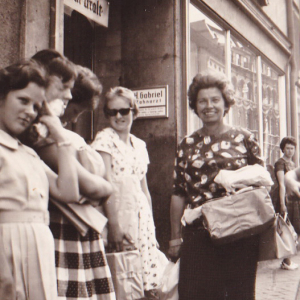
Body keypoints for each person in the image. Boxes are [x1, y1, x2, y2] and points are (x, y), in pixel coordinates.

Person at [168, 71, 265, 300]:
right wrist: (174, 238)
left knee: (239, 295)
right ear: (195, 105)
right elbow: (178, 192)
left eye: (215, 100)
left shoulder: (244, 138)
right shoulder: (187, 144)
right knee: (194, 294)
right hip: (199, 232)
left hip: (239, 232)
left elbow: (262, 183)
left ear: (225, 103)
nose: (208, 106)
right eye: (202, 101)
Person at [30, 50, 116, 300]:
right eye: (62, 88)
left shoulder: (56, 135)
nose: (68, 96)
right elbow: (93, 188)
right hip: (60, 230)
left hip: (70, 228)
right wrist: (106, 188)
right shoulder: (45, 136)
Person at [0, 60, 80, 299]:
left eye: (36, 106)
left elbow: (69, 191)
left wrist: (59, 134)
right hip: (7, 251)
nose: (30, 112)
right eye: (23, 100)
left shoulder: (28, 153)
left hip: (37, 251)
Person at [91, 87, 161, 299]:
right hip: (119, 216)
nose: (119, 116)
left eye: (124, 110)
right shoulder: (104, 140)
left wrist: (152, 230)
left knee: (141, 282)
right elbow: (105, 182)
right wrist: (114, 225)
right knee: (122, 277)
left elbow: (144, 189)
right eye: (112, 112)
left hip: (142, 221)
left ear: (134, 111)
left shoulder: (140, 145)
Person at [274, 137, 298, 270]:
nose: (290, 151)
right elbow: (282, 184)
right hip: (284, 199)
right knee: (285, 229)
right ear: (283, 148)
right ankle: (286, 261)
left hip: (293, 199)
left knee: (293, 228)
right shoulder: (280, 163)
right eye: (287, 148)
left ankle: (288, 260)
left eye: (292, 148)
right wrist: (283, 204)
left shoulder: (292, 164)